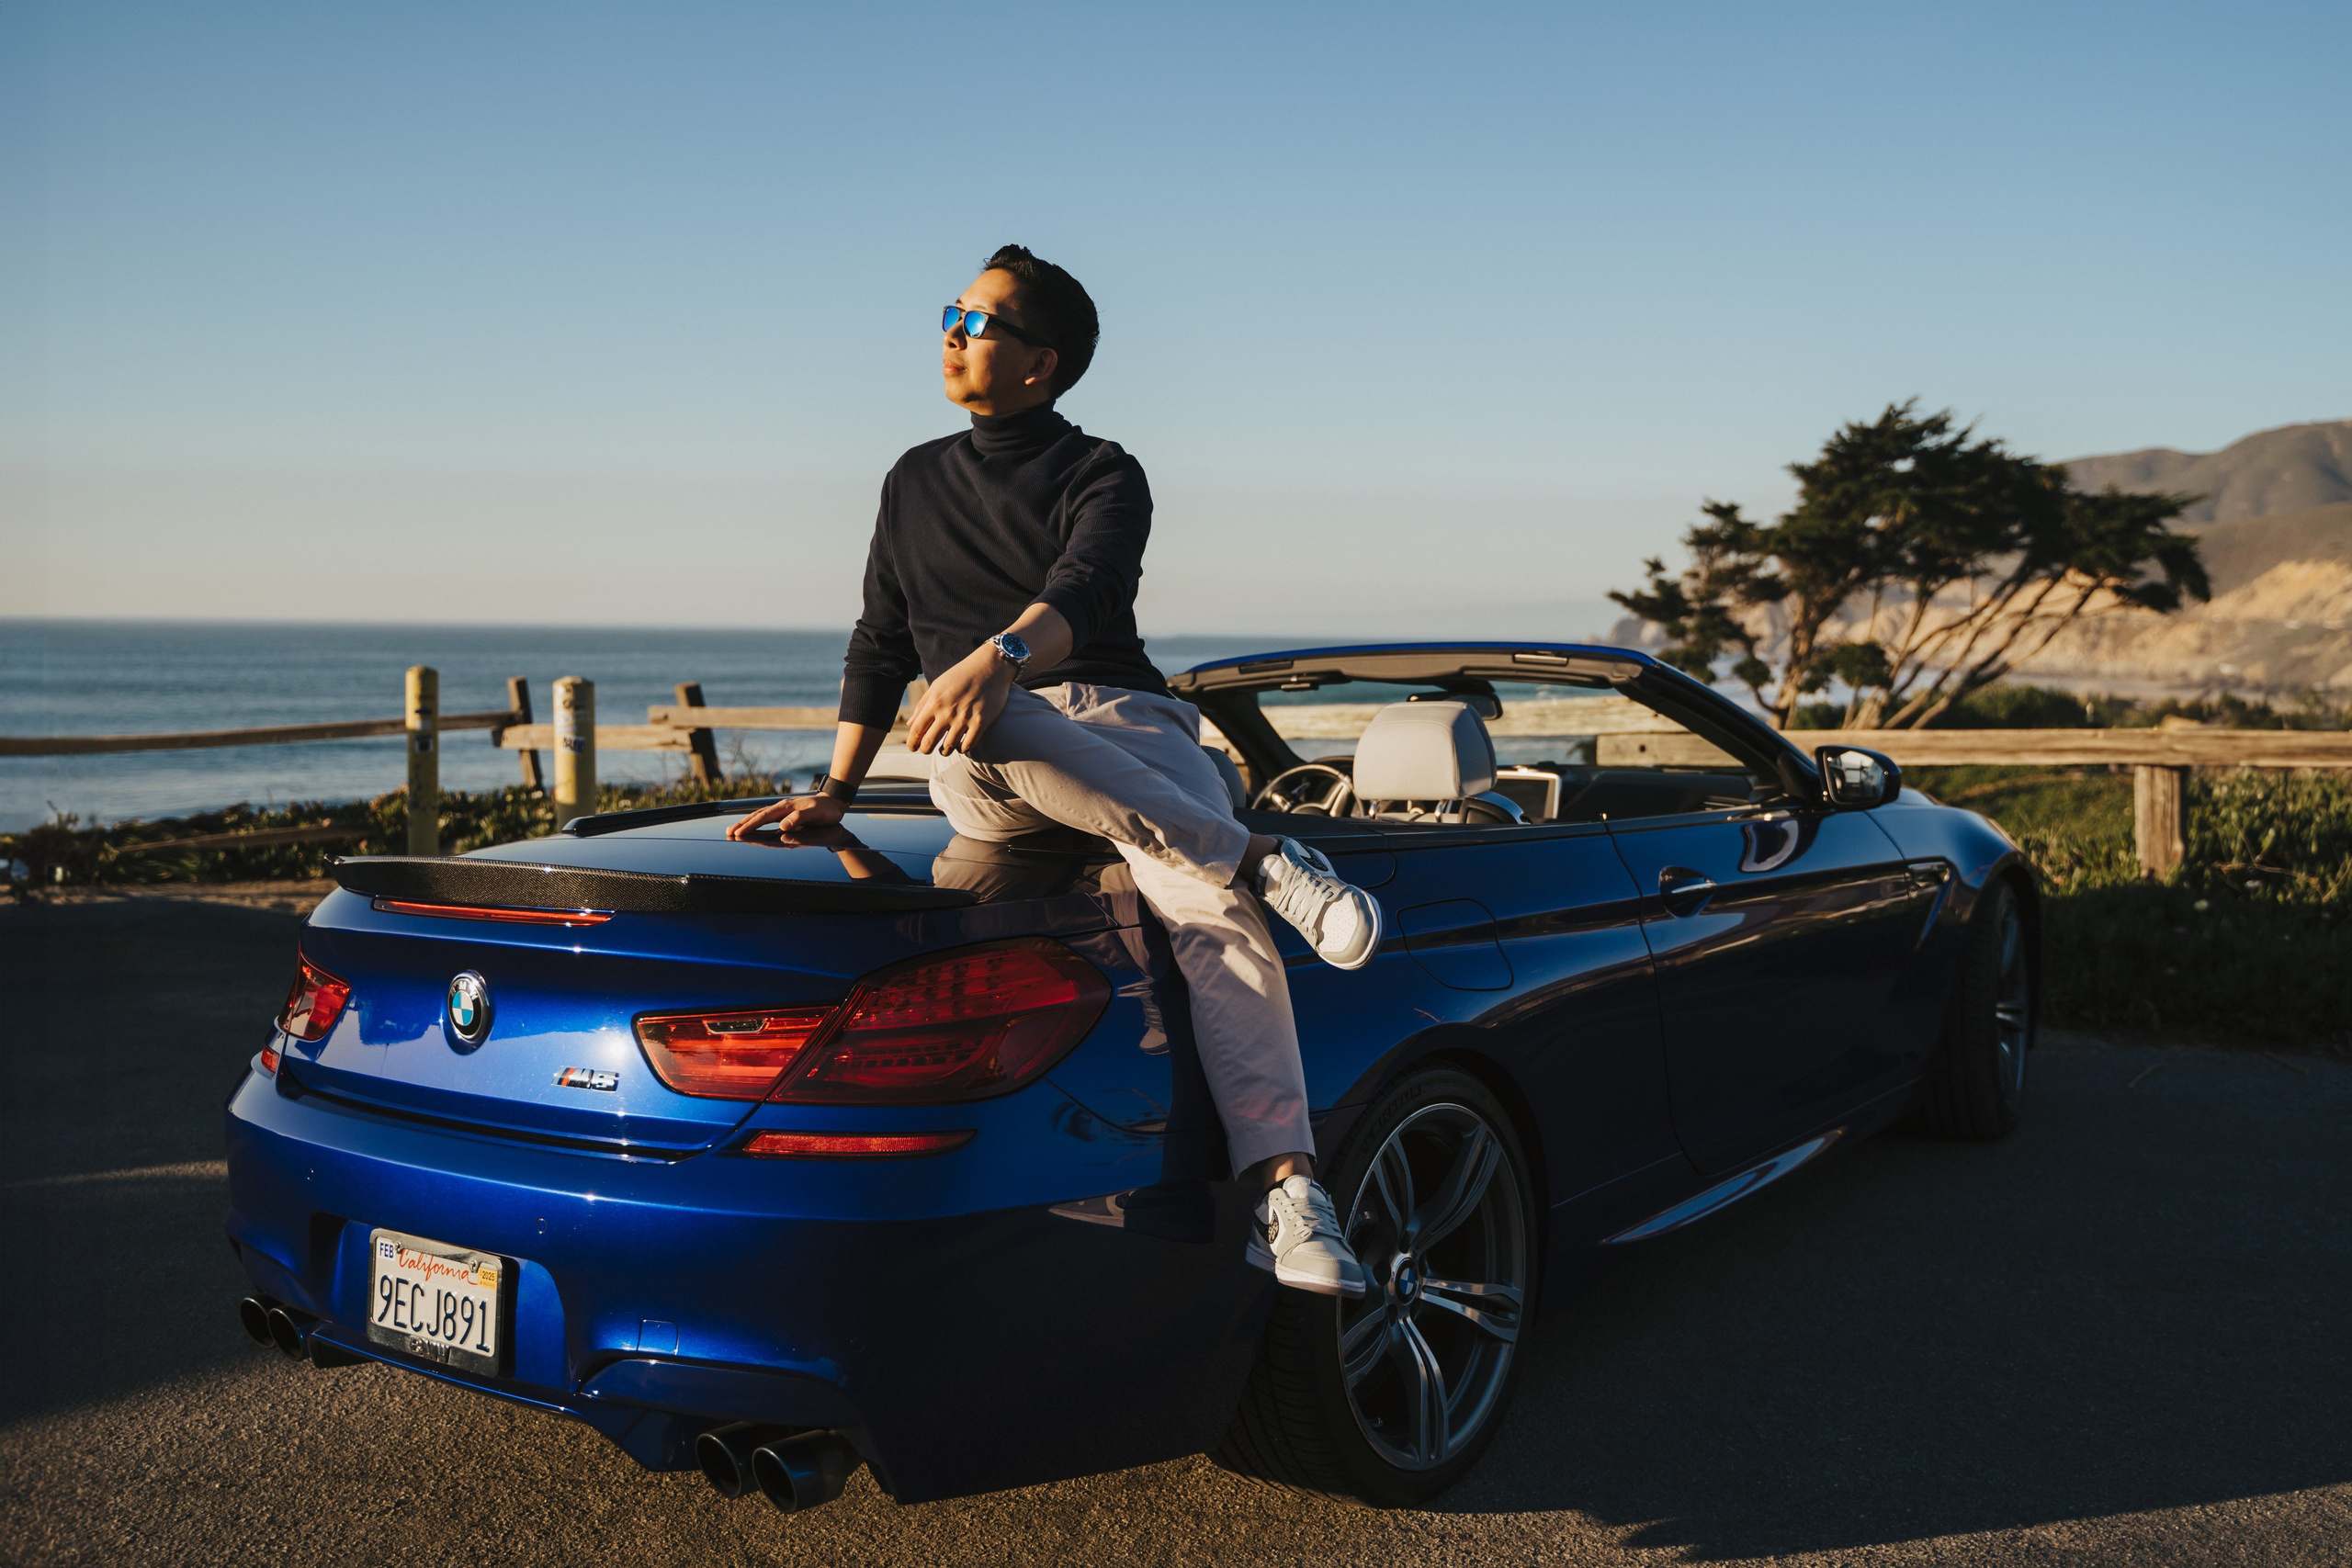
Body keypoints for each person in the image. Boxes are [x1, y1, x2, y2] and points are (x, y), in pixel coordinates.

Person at [729, 245, 1378, 1297]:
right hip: (983, 749)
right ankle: (1257, 856)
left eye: (976, 321)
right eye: (951, 312)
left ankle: (1289, 1196)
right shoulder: (910, 477)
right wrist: (837, 790)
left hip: (1125, 728)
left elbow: (1088, 585)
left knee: (1212, 920)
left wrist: (1001, 655)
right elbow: (880, 639)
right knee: (991, 717)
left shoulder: (1104, 470)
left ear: (1042, 362)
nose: (949, 332)